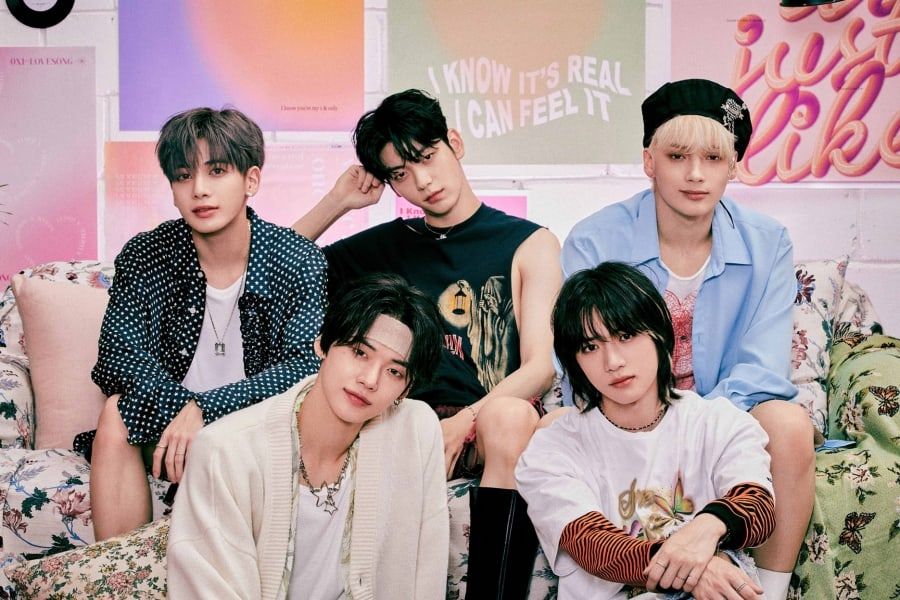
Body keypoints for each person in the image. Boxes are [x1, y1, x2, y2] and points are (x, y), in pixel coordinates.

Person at [294, 89, 562, 598]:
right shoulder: (386, 246)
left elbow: (540, 366)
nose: (421, 181)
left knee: (511, 417)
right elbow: (275, 267)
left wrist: (465, 422)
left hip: (486, 422)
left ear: (454, 143)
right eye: (400, 173)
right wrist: (338, 202)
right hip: (399, 418)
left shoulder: (529, 242)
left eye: (426, 156)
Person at [560, 79, 813, 599]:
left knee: (789, 423)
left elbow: (763, 369)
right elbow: (577, 357)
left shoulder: (768, 242)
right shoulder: (593, 239)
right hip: (623, 412)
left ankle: (769, 591)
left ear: (734, 165)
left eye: (713, 158)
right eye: (677, 156)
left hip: (724, 414)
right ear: (649, 161)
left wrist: (690, 423)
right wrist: (652, 422)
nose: (696, 174)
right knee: (550, 430)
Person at [83, 107, 326, 541]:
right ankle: (119, 571)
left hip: (257, 425)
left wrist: (207, 409)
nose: (199, 189)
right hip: (167, 423)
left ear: (251, 180)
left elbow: (305, 368)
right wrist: (183, 408)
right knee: (116, 412)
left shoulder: (297, 258)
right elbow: (117, 355)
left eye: (217, 171)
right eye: (183, 176)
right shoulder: (147, 253)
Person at [167, 274, 449, 599]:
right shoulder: (224, 452)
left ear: (405, 390)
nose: (370, 380)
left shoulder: (416, 430)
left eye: (394, 371)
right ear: (322, 344)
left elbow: (428, 572)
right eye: (359, 352)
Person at [517, 262, 776, 600]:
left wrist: (707, 527)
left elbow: (757, 505)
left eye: (625, 336)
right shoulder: (552, 448)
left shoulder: (717, 421)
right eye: (590, 347)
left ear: (658, 334)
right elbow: (593, 546)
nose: (613, 361)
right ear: (574, 361)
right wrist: (698, 569)